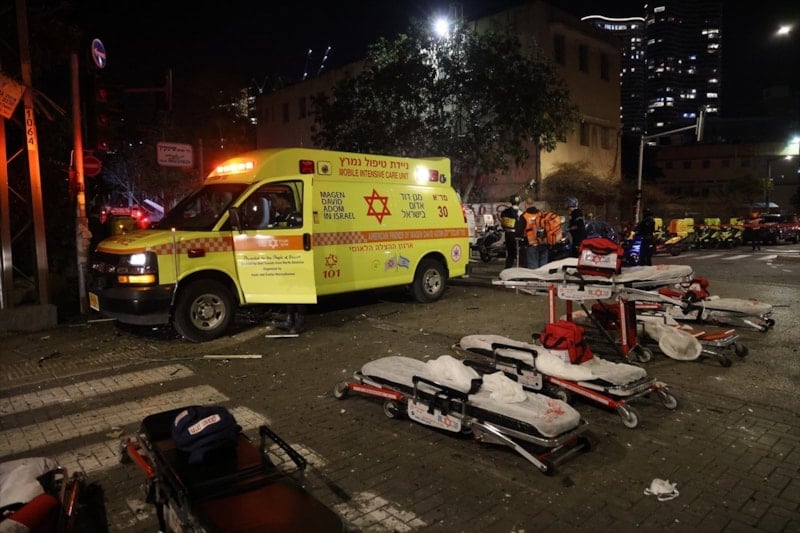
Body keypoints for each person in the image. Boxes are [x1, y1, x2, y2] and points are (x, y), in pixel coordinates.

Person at [515, 204, 549, 269]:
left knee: (533, 266)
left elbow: (519, 231)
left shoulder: (525, 216)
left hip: (531, 243)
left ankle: (535, 275)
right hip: (544, 243)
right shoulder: (542, 214)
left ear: (526, 206)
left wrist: (519, 237)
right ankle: (543, 275)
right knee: (544, 267)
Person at [499, 195, 523, 268]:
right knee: (520, 253)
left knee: (510, 254)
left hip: (508, 235)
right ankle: (520, 269)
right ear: (519, 202)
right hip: (518, 236)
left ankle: (508, 268)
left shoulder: (505, 212)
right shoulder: (521, 213)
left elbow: (503, 224)